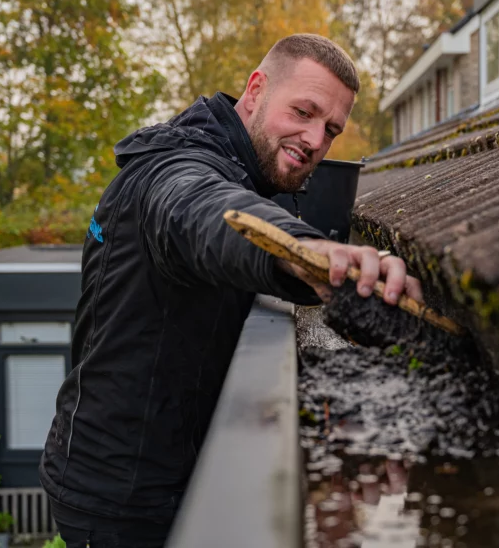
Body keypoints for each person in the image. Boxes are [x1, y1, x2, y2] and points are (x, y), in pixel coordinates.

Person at [39, 33, 423, 548]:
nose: (314, 140)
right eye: (303, 112)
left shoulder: (240, 169)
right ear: (256, 89)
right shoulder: (173, 170)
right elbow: (206, 213)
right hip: (122, 498)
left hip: (163, 469)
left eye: (331, 129)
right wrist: (311, 252)